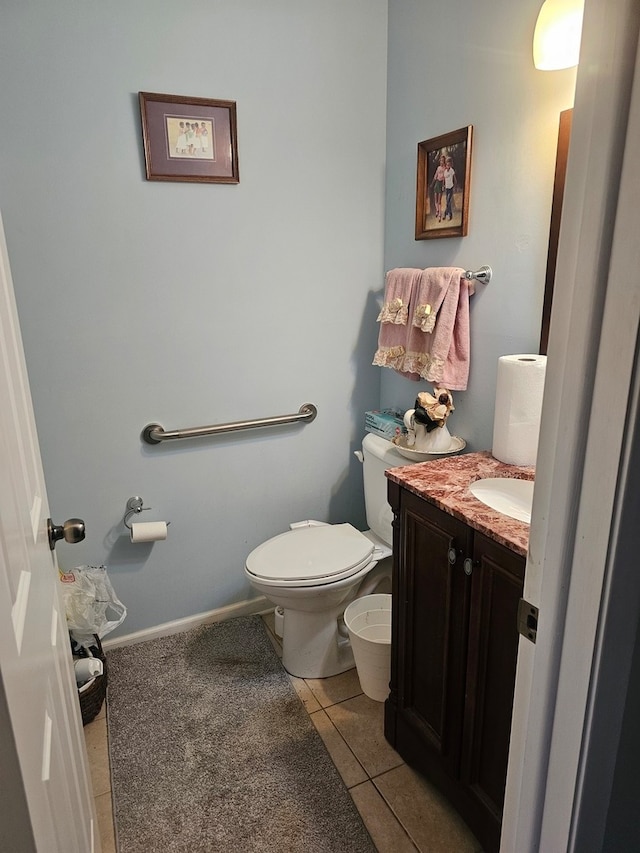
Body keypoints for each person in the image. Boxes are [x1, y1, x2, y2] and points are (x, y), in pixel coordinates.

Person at [431, 154, 446, 221]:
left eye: (442, 161)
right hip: (437, 183)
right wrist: (432, 184)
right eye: (440, 161)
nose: (441, 162)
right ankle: (437, 210)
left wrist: (443, 185)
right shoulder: (438, 168)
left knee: (439, 200)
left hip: (441, 183)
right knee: (435, 199)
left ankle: (440, 214)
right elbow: (435, 176)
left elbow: (444, 178)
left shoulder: (445, 168)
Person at [443, 156, 456, 221]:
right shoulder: (445, 171)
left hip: (451, 187)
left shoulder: (451, 170)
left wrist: (455, 186)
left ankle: (446, 214)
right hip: (446, 188)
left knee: (448, 201)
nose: (448, 166)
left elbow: (454, 178)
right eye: (447, 164)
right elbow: (444, 179)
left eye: (449, 164)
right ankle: (449, 214)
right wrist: (443, 186)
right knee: (448, 202)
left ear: (450, 165)